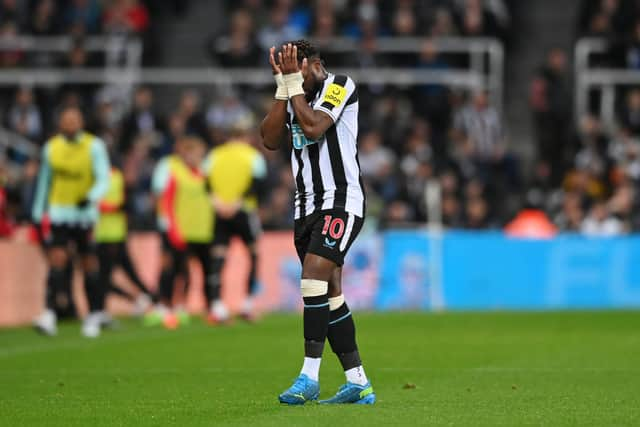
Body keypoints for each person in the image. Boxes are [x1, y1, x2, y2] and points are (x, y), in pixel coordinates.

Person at [261, 40, 375, 405]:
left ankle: (309, 375)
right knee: (329, 291)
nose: (294, 76)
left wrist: (294, 86)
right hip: (306, 207)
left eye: (297, 68)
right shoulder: (294, 90)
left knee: (312, 276)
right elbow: (269, 139)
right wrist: (285, 87)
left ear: (312, 64)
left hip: (341, 201)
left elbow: (314, 127)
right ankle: (358, 381)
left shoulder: (340, 84)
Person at [32, 107, 110, 338]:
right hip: (59, 213)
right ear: (60, 123)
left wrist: (92, 196)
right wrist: (38, 211)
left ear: (81, 122)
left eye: (74, 120)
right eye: (66, 120)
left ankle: (94, 313)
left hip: (84, 216)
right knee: (57, 260)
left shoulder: (94, 146)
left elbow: (103, 176)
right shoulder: (51, 148)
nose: (70, 124)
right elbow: (45, 180)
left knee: (88, 263)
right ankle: (48, 313)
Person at [146, 136, 214, 329]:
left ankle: (186, 305)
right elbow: (162, 197)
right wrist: (167, 225)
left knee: (194, 270)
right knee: (172, 268)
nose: (198, 157)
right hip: (176, 228)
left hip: (201, 229)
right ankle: (164, 305)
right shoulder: (169, 168)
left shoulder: (204, 172)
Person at [202, 118, 266, 323]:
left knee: (218, 257)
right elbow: (258, 184)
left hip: (219, 210)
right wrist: (237, 202)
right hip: (243, 211)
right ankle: (247, 304)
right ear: (246, 136)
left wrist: (218, 202)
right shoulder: (252, 156)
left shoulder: (214, 155)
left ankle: (217, 306)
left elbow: (205, 181)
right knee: (254, 254)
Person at [94, 164, 154, 315]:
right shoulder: (100, 176)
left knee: (107, 275)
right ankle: (144, 298)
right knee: (105, 276)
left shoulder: (116, 177)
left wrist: (103, 207)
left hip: (113, 234)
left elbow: (123, 203)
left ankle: (148, 299)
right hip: (101, 233)